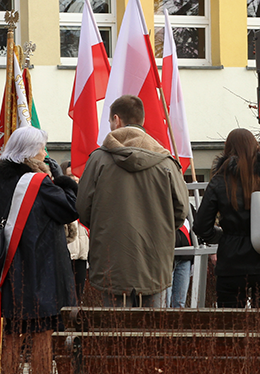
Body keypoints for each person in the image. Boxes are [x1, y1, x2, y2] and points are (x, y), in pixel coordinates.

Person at [0, 126, 78, 374]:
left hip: (9, 269)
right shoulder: (38, 182)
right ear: (29, 152)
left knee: (12, 334)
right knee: (41, 337)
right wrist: (62, 179)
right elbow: (70, 209)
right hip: (42, 271)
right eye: (41, 148)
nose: (45, 153)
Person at [77, 95, 189, 307]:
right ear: (142, 121)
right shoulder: (166, 162)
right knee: (151, 334)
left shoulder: (98, 160)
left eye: (110, 121)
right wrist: (160, 229)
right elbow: (181, 211)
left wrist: (106, 227)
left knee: (114, 333)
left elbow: (83, 208)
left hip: (111, 259)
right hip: (154, 259)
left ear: (117, 120)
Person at [193, 128, 260, 308]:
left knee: (231, 329)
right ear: (256, 147)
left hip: (232, 263)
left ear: (227, 149)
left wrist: (225, 237)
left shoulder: (219, 180)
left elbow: (201, 226)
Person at [60, 161, 89, 301]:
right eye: (71, 175)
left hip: (82, 254)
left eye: (77, 175)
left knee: (80, 293)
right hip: (67, 253)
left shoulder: (84, 195)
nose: (75, 179)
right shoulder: (61, 196)